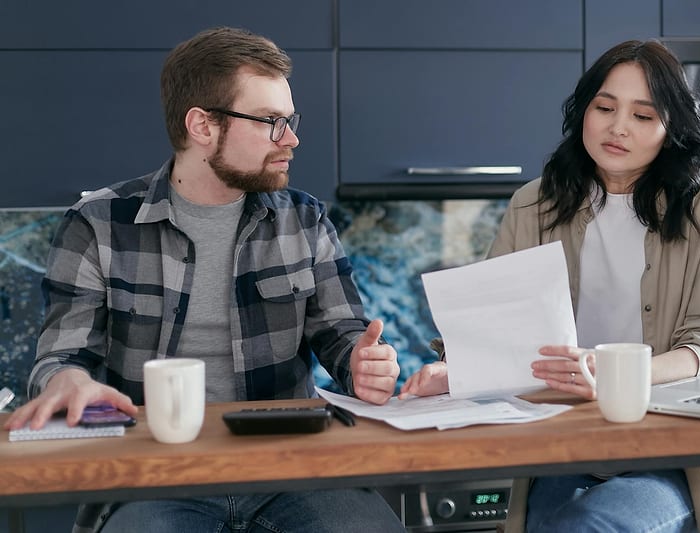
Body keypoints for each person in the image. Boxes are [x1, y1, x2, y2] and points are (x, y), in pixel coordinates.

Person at [4, 27, 405, 533]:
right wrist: (69, 383)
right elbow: (60, 359)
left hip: (292, 468)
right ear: (202, 126)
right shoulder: (98, 224)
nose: (292, 139)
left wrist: (364, 365)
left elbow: (343, 335)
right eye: (271, 122)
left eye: (290, 121)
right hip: (154, 474)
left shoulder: (305, 220)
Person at [400, 39, 700, 533]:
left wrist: (617, 377)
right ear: (583, 110)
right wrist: (457, 370)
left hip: (666, 449)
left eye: (643, 116)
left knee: (588, 525)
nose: (618, 127)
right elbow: (497, 329)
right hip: (558, 442)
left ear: (671, 130)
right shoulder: (534, 204)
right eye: (604, 107)